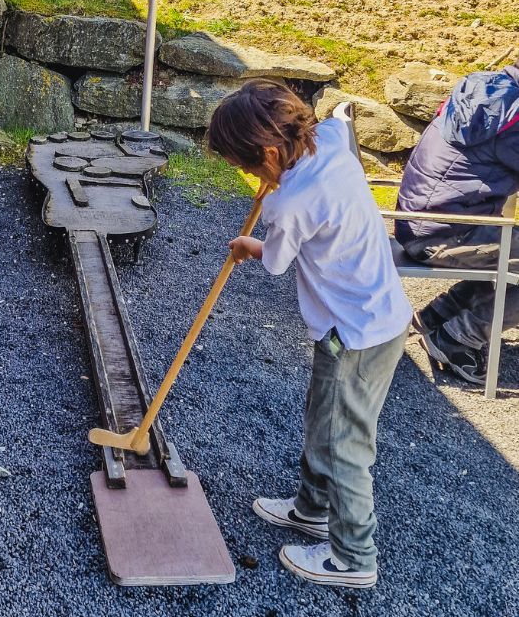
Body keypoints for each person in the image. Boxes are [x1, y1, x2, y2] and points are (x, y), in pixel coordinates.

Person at [208, 80, 411, 589]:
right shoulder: (335, 145)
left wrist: (248, 243)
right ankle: (311, 509)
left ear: (271, 152)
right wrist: (276, 179)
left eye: (247, 166)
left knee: (346, 442)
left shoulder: (291, 202)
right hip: (364, 319)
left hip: (359, 334)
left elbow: (276, 262)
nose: (249, 177)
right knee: (323, 417)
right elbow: (336, 124)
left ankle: (353, 556)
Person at [395, 62, 519, 385]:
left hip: (416, 220)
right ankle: (457, 339)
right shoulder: (514, 116)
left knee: (509, 246)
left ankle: (438, 316)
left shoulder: (489, 91)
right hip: (444, 232)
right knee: (512, 248)